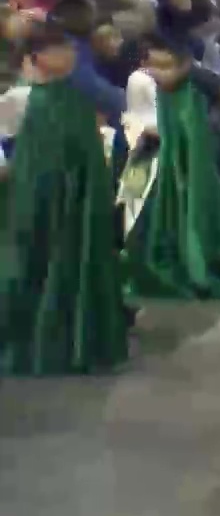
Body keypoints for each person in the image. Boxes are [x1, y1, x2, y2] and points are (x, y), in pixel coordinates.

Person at [0, 21, 130, 375]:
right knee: (39, 254)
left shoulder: (73, 94)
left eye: (71, 48)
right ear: (35, 57)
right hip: (38, 189)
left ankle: (79, 331)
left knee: (77, 250)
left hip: (78, 189)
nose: (71, 55)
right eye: (60, 50)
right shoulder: (21, 98)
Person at [119, 33, 220, 301]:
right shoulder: (144, 79)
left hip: (176, 149)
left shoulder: (189, 81)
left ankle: (193, 264)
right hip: (149, 150)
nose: (161, 63)